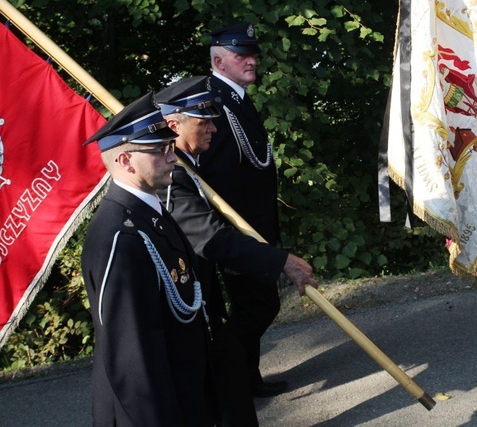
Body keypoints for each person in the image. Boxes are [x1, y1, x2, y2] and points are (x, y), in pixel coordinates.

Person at [154, 76, 318, 424]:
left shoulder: (189, 165)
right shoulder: (172, 175)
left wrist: (236, 257)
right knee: (217, 381)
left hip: (203, 299)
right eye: (205, 122)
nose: (214, 128)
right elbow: (209, 238)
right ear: (174, 124)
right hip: (186, 308)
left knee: (228, 372)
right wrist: (281, 262)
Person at [80, 93, 215, 426]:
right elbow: (132, 361)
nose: (172, 157)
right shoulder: (121, 237)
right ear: (126, 161)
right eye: (160, 150)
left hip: (183, 396)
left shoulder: (149, 213)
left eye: (170, 147)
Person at [192, 22, 293, 397]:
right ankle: (225, 379)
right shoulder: (213, 102)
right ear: (219, 60)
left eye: (252, 54)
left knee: (257, 302)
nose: (251, 61)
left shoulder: (235, 97)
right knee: (257, 306)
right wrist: (230, 240)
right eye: (241, 55)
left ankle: (245, 379)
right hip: (238, 231)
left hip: (255, 226)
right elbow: (217, 181)